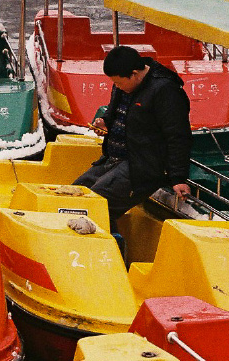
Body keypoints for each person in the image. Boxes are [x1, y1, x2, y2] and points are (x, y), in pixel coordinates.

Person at [74, 46, 193, 230]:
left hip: (143, 165)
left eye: (119, 83)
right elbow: (117, 113)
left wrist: (178, 177)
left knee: (96, 204)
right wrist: (106, 123)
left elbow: (178, 135)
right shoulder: (124, 83)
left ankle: (112, 252)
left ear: (135, 74)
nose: (117, 87)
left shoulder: (165, 91)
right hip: (114, 158)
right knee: (74, 194)